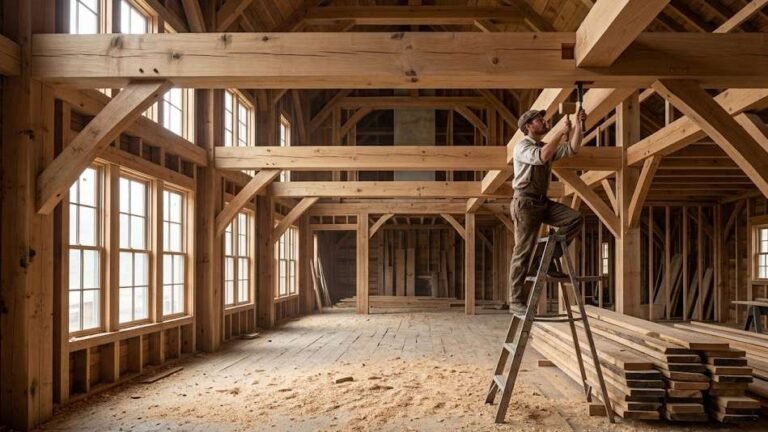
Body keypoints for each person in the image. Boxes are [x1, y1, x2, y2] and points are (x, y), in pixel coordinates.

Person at [508, 108, 587, 316]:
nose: (544, 121)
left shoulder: (544, 146)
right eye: (539, 120)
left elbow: (571, 149)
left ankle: (545, 257)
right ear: (528, 126)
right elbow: (542, 157)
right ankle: (515, 301)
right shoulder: (522, 146)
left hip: (542, 202)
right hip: (525, 202)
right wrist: (560, 132)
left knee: (574, 218)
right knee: (522, 251)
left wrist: (579, 126)